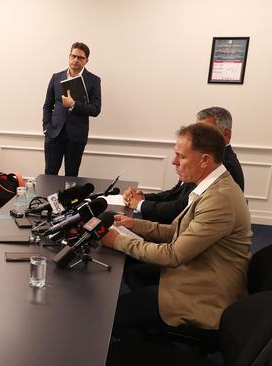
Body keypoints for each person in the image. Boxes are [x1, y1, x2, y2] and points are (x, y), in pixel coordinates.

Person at [100, 123, 252, 339]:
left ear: (205, 160)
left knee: (110, 317)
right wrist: (132, 224)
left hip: (206, 296)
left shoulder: (219, 199)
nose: (174, 161)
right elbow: (176, 230)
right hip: (199, 272)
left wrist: (117, 241)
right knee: (134, 275)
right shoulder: (212, 185)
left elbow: (173, 255)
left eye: (181, 156)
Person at [122, 107, 244, 224]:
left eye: (206, 131)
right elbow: (176, 193)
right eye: (197, 130)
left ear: (227, 134)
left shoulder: (222, 165)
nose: (198, 136)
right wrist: (142, 197)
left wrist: (140, 204)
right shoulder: (198, 158)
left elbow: (182, 208)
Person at [42, 41, 101, 177]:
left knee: (71, 177)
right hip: (54, 134)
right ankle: (48, 199)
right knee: (50, 175)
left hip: (76, 136)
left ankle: (67, 199)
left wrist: (74, 104)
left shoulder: (93, 80)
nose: (75, 60)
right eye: (73, 56)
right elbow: (47, 105)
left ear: (86, 61)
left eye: (80, 58)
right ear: (69, 57)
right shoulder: (56, 77)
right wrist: (46, 128)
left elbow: (96, 109)